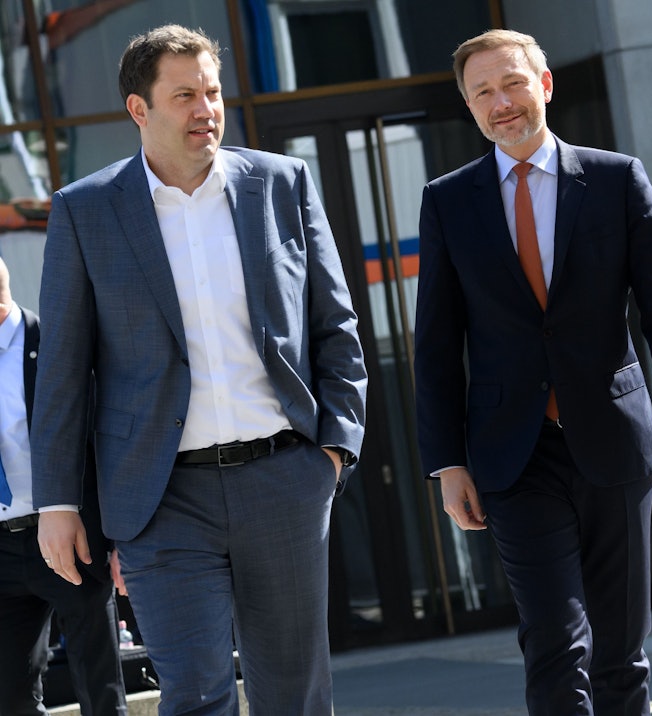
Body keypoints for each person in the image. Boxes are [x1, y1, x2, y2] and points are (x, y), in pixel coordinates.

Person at [31, 24, 367, 716]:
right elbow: (63, 369)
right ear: (138, 110)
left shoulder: (280, 183)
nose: (205, 109)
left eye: (212, 92)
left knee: (293, 694)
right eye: (184, 95)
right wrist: (59, 503)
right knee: (194, 692)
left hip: (285, 480)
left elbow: (334, 328)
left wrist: (333, 451)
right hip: (160, 501)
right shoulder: (84, 211)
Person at [414, 29, 652, 716]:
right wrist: (446, 462)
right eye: (481, 91)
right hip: (511, 453)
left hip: (614, 438)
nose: (500, 102)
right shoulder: (448, 201)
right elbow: (434, 342)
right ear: (468, 106)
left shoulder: (614, 178)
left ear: (543, 84)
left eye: (511, 82)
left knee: (619, 650)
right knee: (551, 639)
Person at [0, 258, 126, 715]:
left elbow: (101, 444)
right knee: (10, 699)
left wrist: (118, 542)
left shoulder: (55, 344)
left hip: (69, 537)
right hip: (2, 545)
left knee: (101, 691)